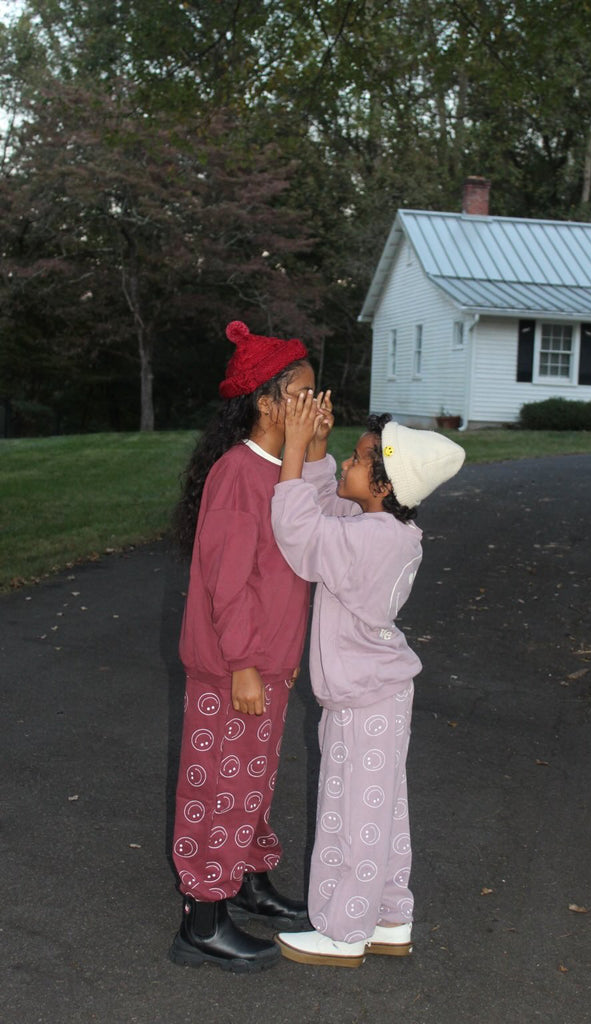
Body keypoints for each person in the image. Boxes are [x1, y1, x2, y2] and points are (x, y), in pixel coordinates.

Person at [270, 392, 466, 967]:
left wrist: (295, 448)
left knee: (352, 814)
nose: (348, 467)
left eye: (357, 460)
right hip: (375, 694)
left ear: (383, 485)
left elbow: (301, 533)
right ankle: (387, 917)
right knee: (379, 810)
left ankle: (343, 930)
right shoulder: (380, 528)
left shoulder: (370, 540)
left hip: (363, 698)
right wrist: (320, 452)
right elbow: (329, 509)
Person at [169, 319, 326, 974]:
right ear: (267, 402)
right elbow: (225, 585)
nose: (320, 404)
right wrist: (240, 666)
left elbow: (318, 526)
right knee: (218, 790)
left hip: (271, 663)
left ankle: (249, 883)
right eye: (306, 394)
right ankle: (203, 920)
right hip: (237, 667)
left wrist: (314, 445)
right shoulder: (238, 476)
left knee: (252, 784)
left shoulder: (283, 470)